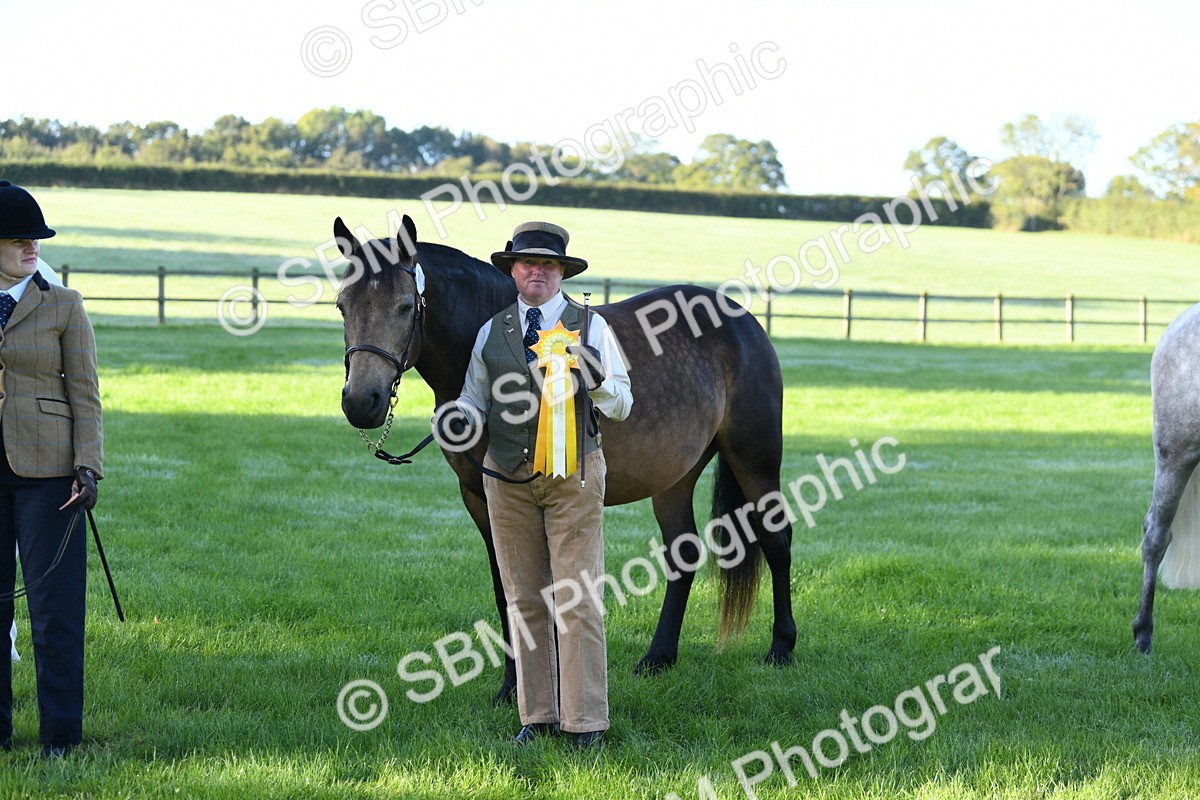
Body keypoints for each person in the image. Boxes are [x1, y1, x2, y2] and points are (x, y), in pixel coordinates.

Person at [445, 221, 632, 749]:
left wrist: (590, 373)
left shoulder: (590, 326)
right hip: (506, 481)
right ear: (511, 271)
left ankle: (586, 721)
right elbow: (473, 398)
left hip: (573, 478)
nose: (536, 272)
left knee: (577, 598)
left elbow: (622, 403)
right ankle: (538, 715)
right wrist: (456, 417)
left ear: (561, 274)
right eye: (526, 263)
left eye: (547, 265)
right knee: (524, 599)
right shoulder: (491, 331)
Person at [0, 181, 102, 758]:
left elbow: (86, 393)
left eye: (37, 239)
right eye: (19, 239)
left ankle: (60, 738)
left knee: (53, 614)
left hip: (50, 477)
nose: (32, 248)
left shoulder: (64, 303)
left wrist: (88, 466)